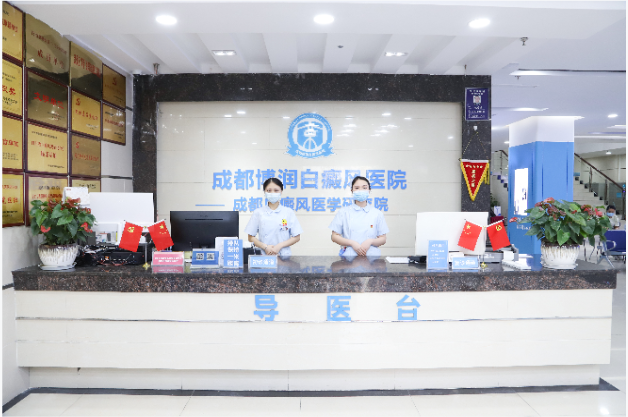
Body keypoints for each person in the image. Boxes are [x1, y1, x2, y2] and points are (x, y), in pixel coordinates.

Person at [329, 176, 389, 257]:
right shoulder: (343, 212)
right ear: (352, 190)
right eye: (357, 188)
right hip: (349, 258)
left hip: (372, 258)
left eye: (364, 188)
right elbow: (334, 236)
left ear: (369, 190)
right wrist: (352, 243)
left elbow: (383, 239)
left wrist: (370, 241)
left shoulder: (377, 213)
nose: (360, 191)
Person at [245, 178, 302, 256]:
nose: (272, 193)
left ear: (281, 192)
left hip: (283, 256)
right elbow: (250, 237)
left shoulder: (288, 212)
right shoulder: (258, 212)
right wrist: (265, 247)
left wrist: (280, 246)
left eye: (276, 190)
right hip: (264, 255)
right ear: (264, 192)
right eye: (269, 190)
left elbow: (297, 237)